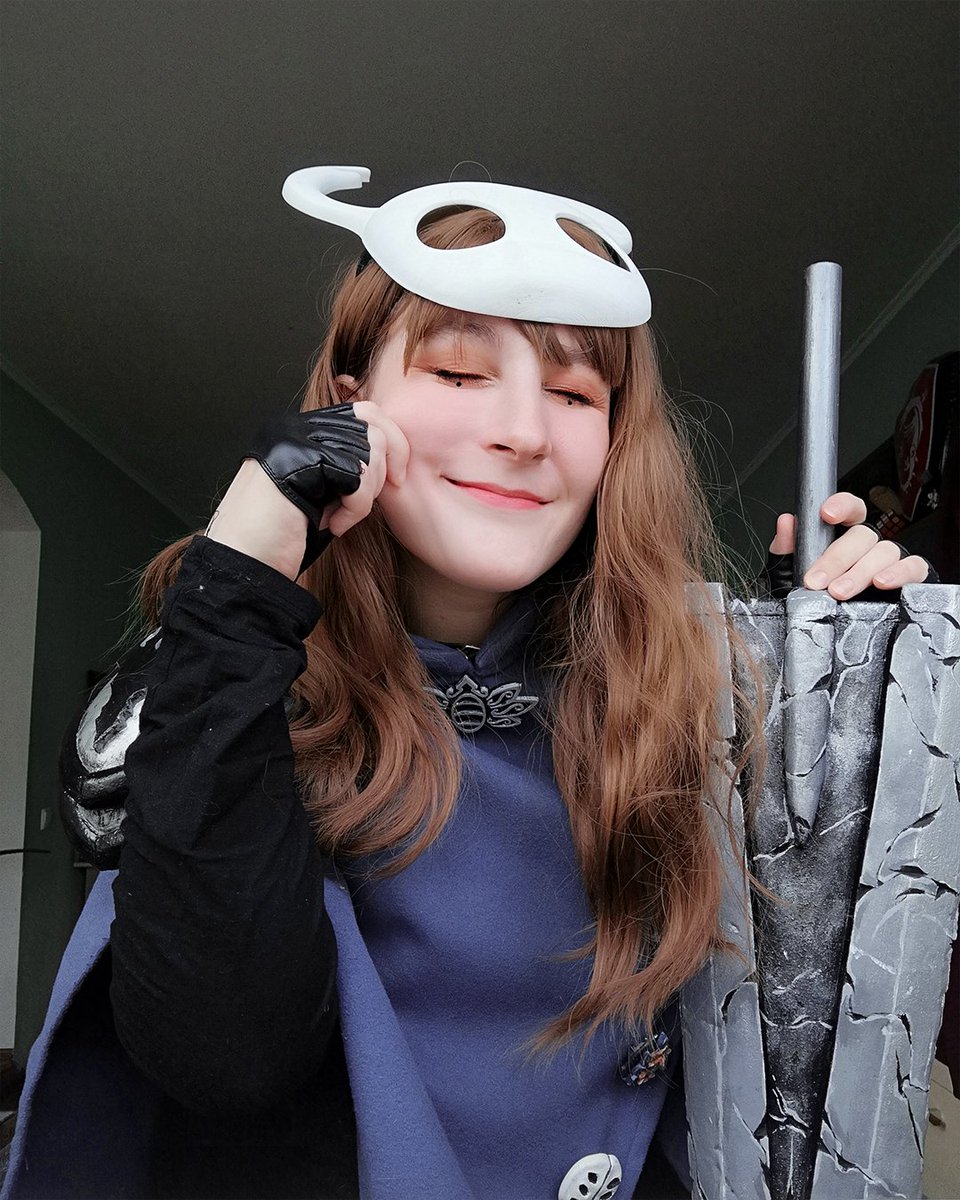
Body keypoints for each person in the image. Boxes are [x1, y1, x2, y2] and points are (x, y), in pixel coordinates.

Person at [1, 168, 935, 1200]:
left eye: (574, 394)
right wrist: (242, 580)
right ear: (351, 405)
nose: (525, 432)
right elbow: (223, 1057)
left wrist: (837, 700)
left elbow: (841, 1007)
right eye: (457, 373)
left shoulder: (679, 701)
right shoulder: (230, 696)